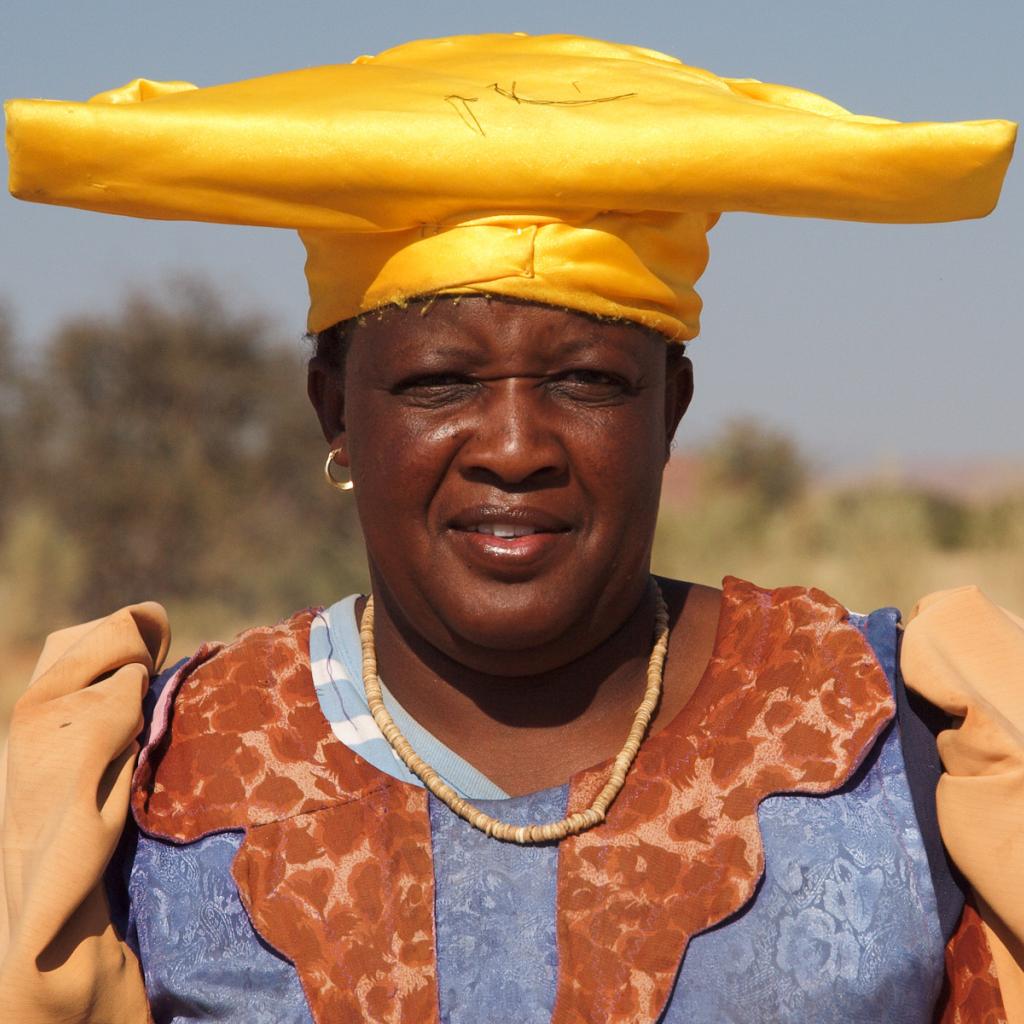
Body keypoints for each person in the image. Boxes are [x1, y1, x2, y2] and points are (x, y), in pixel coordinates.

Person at [2, 31, 1021, 1024]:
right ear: (336, 413)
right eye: (439, 383)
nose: (515, 445)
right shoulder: (157, 780)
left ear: (669, 410)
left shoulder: (901, 741)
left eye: (585, 381)